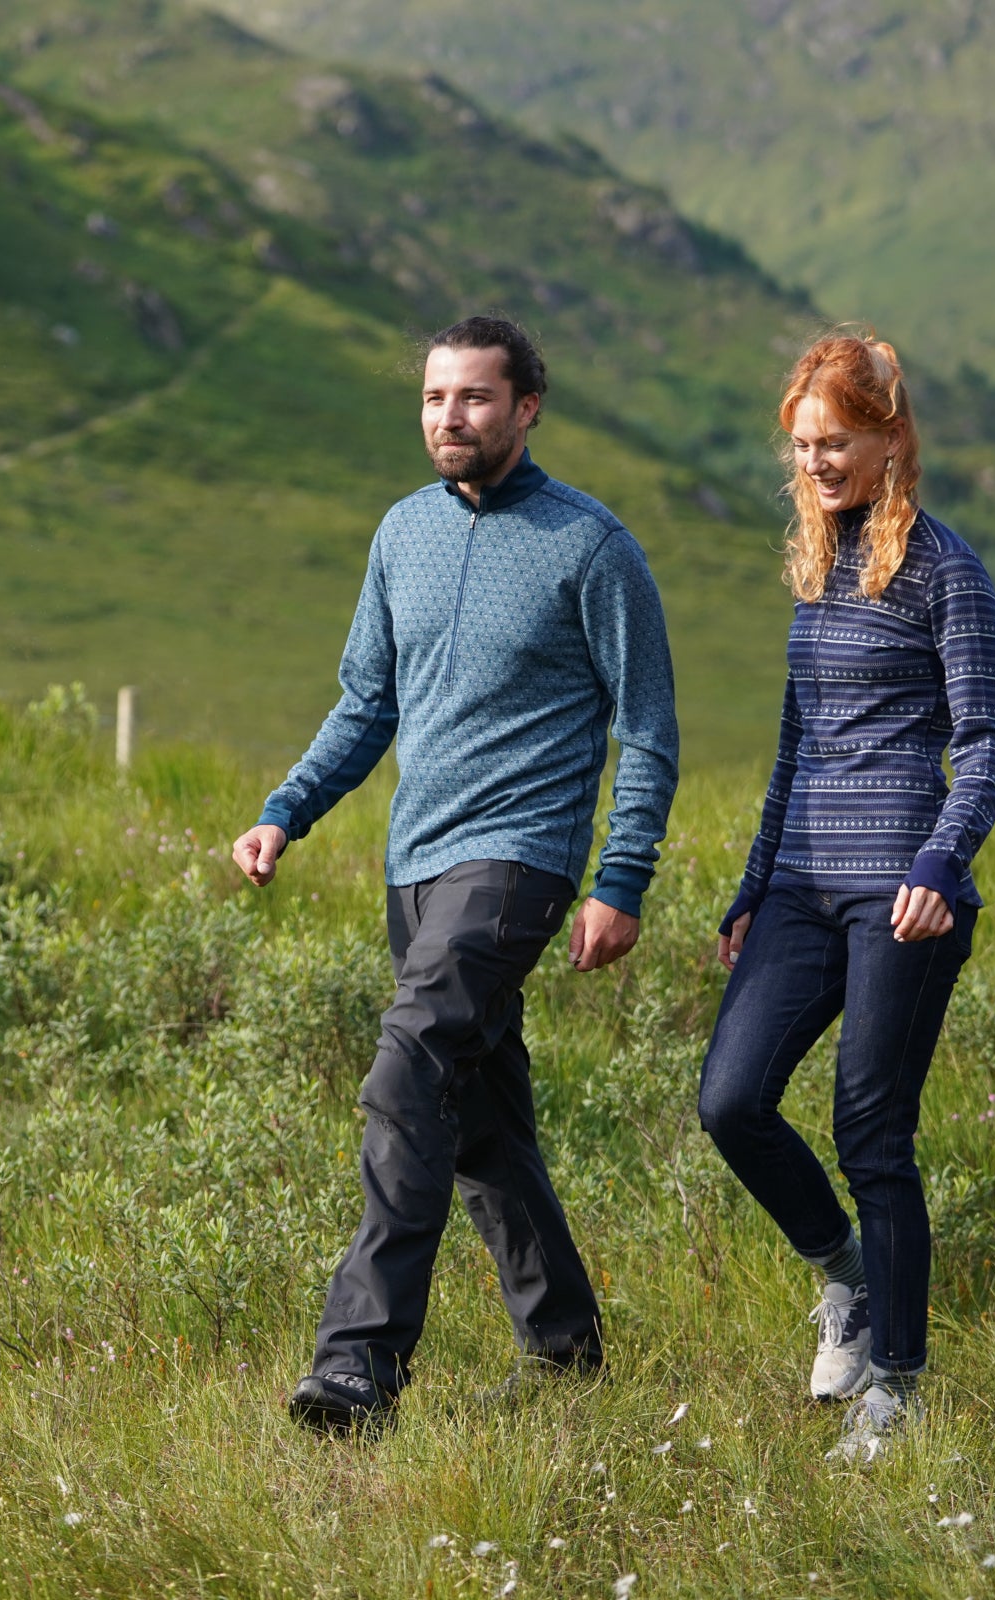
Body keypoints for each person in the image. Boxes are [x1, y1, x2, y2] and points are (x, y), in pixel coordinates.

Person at [230, 315, 679, 1434]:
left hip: (519, 858)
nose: (449, 418)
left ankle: (357, 1366)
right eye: (435, 399)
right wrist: (286, 812)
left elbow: (652, 730)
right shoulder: (401, 534)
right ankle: (567, 1347)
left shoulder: (593, 546)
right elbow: (366, 703)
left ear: (527, 408)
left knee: (409, 1065)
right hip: (415, 864)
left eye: (475, 398)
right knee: (476, 1123)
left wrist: (620, 879)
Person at [695, 330, 995, 1464]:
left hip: (901, 895)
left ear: (890, 437)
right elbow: (794, 746)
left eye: (836, 442)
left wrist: (937, 864)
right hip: (798, 886)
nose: (818, 463)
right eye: (803, 446)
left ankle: (901, 1388)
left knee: (872, 1128)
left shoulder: (945, 570)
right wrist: (749, 886)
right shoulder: (817, 566)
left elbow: (984, 743)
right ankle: (845, 1278)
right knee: (730, 1099)